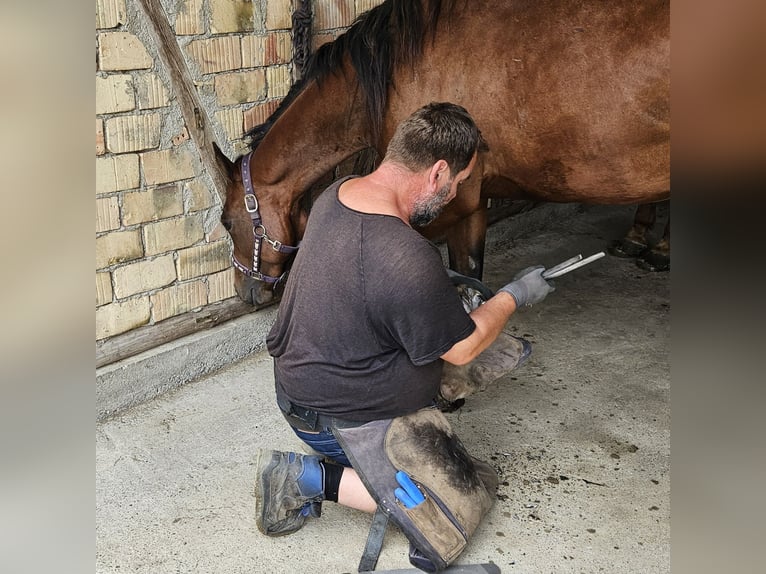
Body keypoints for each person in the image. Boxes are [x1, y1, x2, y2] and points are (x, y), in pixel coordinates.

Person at [255, 102, 555, 539]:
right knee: (449, 507)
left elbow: (370, 283)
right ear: (436, 173)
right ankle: (304, 477)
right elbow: (466, 345)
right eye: (458, 182)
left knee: (471, 473)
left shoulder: (337, 194)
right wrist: (515, 295)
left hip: (303, 388)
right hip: (335, 420)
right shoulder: (406, 255)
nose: (455, 194)